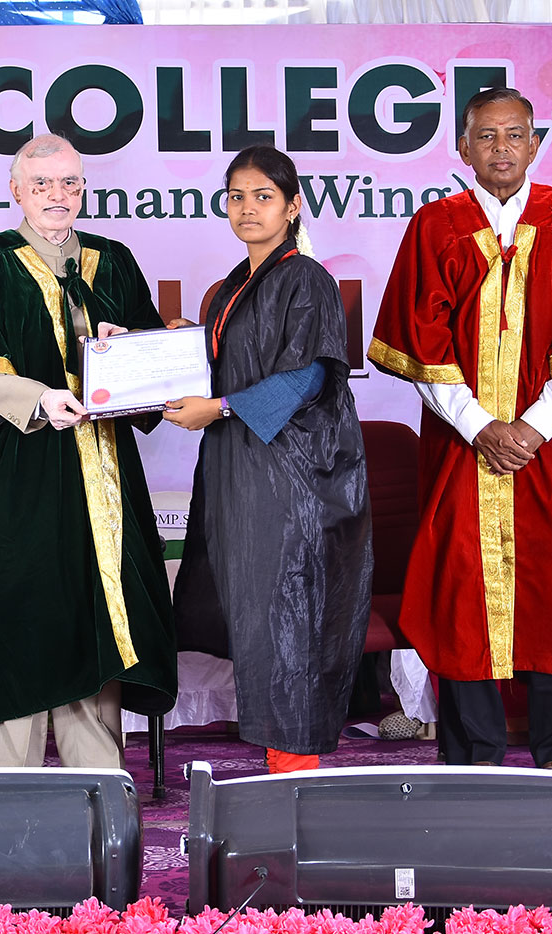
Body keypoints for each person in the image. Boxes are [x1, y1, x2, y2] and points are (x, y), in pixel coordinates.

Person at [369, 87, 552, 774]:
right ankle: (474, 757)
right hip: (461, 447)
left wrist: (533, 427)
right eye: (486, 136)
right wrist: (478, 425)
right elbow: (422, 344)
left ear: (535, 144)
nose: (501, 148)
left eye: (515, 134)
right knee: (463, 589)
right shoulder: (434, 227)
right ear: (463, 148)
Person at [0, 134, 175, 767]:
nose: (58, 195)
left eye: (70, 183)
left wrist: (125, 349)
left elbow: (152, 366)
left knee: (94, 617)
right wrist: (38, 398)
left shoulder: (113, 260)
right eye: (42, 184)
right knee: (19, 619)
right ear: (16, 190)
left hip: (102, 477)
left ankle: (101, 791)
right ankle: (13, 800)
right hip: (13, 474)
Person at [165, 145, 373, 775]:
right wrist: (175, 347)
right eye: (236, 197)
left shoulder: (305, 277)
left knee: (290, 613)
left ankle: (294, 768)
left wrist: (220, 407)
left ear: (293, 206)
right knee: (257, 613)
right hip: (242, 471)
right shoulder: (234, 285)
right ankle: (278, 759)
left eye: (263, 196)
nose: (248, 208)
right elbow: (233, 362)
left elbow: (307, 378)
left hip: (293, 478)